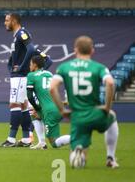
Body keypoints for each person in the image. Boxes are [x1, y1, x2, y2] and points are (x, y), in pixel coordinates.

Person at [50, 36, 119, 169]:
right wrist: (107, 106)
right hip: (95, 112)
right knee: (112, 116)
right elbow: (110, 83)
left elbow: (52, 88)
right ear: (92, 50)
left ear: (75, 50)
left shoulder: (64, 67)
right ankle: (110, 157)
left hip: (77, 116)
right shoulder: (99, 67)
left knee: (80, 146)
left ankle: (78, 150)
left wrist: (62, 110)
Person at [0, 13, 35, 147]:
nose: (5, 22)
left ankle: (11, 139)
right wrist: (10, 66)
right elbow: (13, 57)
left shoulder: (22, 33)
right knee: (24, 106)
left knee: (14, 104)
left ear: (14, 21)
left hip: (20, 76)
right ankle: (26, 139)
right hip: (18, 76)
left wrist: (21, 66)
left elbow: (31, 48)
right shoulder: (16, 36)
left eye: (7, 20)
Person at [26, 55, 70, 150]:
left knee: (54, 143)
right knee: (33, 114)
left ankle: (76, 138)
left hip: (50, 111)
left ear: (35, 65)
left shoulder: (31, 75)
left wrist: (37, 107)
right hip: (59, 107)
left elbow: (29, 96)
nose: (29, 66)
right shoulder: (49, 73)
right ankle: (41, 143)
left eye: (30, 64)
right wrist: (37, 110)